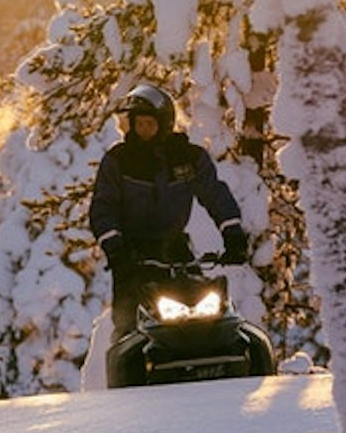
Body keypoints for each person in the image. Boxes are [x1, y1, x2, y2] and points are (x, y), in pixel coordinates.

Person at [89, 83, 249, 336]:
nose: (143, 131)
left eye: (149, 124)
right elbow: (103, 206)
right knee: (128, 321)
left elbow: (214, 193)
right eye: (138, 124)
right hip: (132, 253)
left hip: (174, 247)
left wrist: (233, 233)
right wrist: (114, 246)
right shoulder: (119, 160)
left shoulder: (187, 157)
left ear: (164, 124)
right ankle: (127, 371)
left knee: (205, 306)